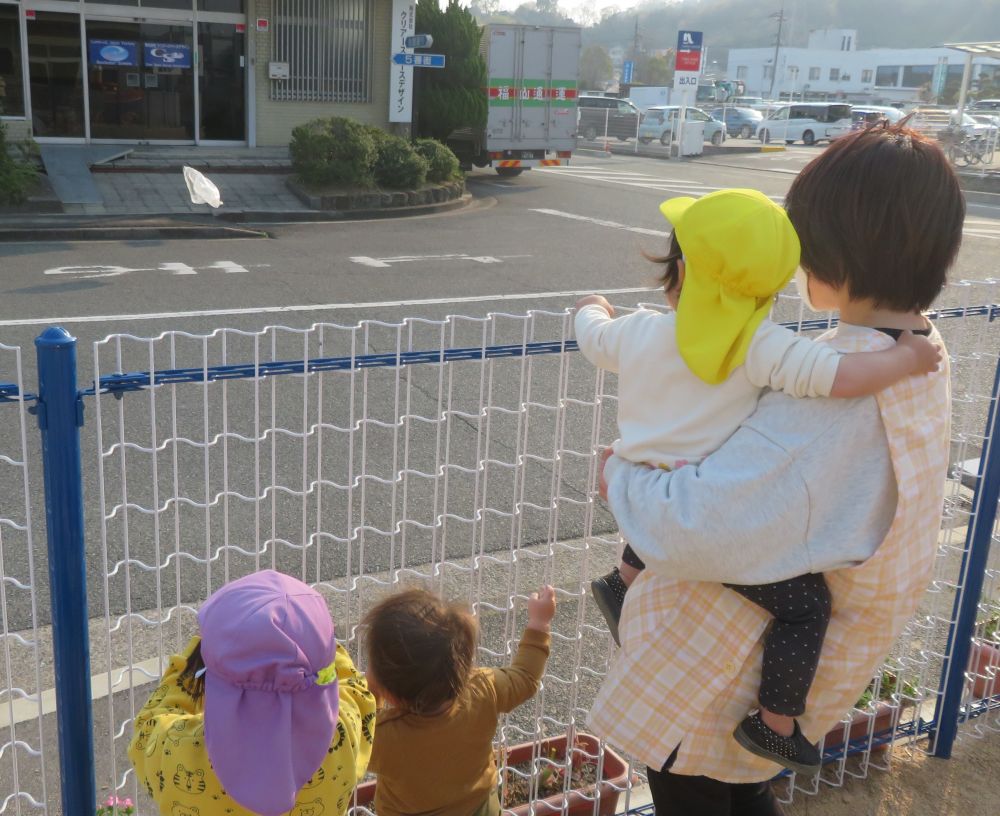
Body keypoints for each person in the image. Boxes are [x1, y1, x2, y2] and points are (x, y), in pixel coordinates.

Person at [588, 124, 962, 815]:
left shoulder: (840, 409)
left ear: (831, 251)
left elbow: (695, 526)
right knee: (747, 791)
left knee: (695, 791)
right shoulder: (917, 350)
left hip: (714, 675)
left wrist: (622, 479)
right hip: (786, 668)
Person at [128, 570, 377, 816]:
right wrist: (314, 641)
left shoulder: (177, 748)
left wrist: (192, 659)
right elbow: (354, 686)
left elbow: (149, 724)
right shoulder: (343, 732)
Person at [364, 585, 556, 816]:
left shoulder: (383, 735)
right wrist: (539, 623)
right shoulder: (483, 689)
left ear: (390, 693)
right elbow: (526, 677)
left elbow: (355, 739)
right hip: (480, 808)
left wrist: (371, 694)